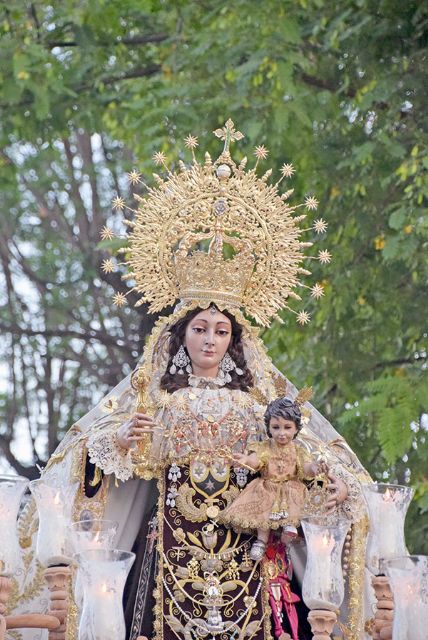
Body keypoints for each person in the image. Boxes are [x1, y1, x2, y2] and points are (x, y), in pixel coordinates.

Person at [13, 120, 372, 640]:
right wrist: (119, 441)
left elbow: (310, 460)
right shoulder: (155, 397)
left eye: (221, 330)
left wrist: (330, 483)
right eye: (200, 328)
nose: (209, 339)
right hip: (168, 556)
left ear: (235, 339)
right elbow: (94, 456)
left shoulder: (261, 405)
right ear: (180, 335)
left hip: (248, 559)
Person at [220, 396, 329, 561]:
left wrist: (315, 468)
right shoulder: (265, 447)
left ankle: (289, 529)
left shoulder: (298, 451)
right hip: (268, 487)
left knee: (294, 504)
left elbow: (306, 467)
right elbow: (257, 461)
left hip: (290, 487)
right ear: (269, 428)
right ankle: (261, 541)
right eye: (276, 427)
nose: (282, 433)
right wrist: (246, 460)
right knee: (264, 515)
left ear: (296, 429)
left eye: (287, 427)